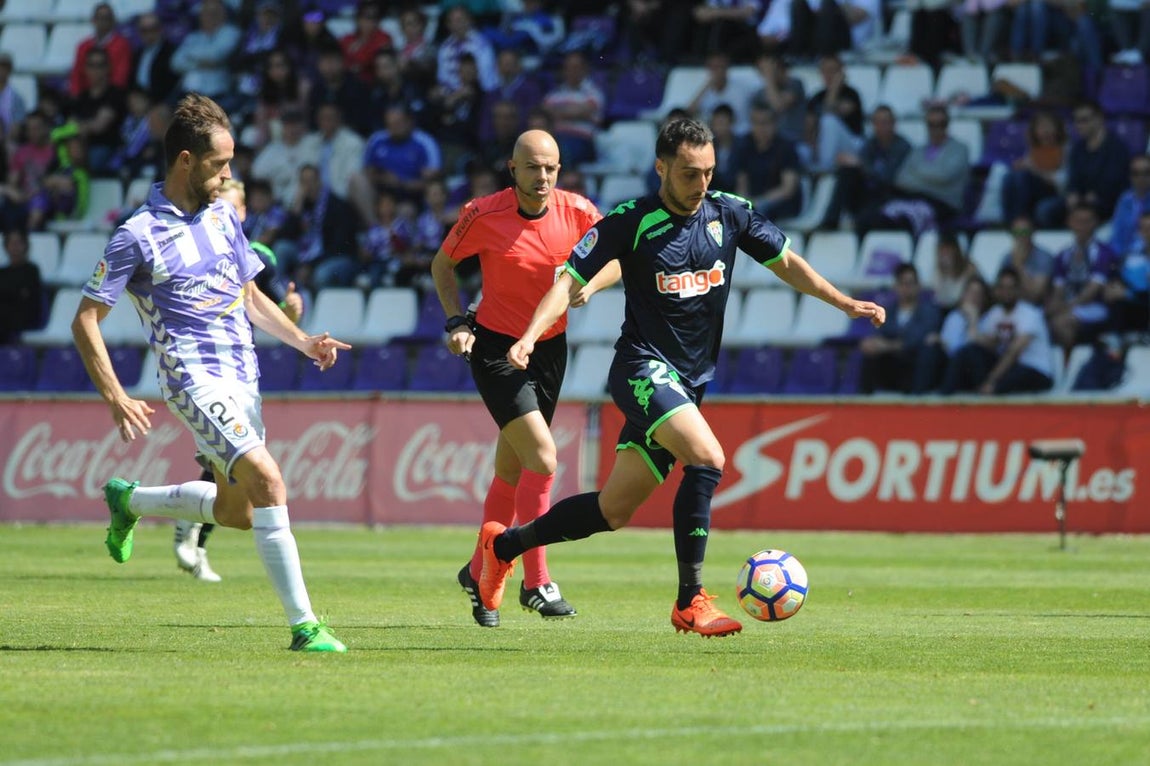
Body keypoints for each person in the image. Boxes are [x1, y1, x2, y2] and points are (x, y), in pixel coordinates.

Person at [478, 118, 886, 637]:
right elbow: (568, 281)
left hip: (689, 383)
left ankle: (503, 545)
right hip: (641, 369)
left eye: (709, 173)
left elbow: (786, 263)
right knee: (708, 458)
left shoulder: (729, 213)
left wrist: (844, 302)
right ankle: (690, 600)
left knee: (612, 510)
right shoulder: (631, 221)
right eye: (690, 174)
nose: (702, 185)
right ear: (662, 168)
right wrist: (531, 336)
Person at [70, 93, 350, 653]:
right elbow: (85, 320)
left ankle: (131, 501)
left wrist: (302, 340)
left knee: (238, 512)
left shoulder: (224, 216)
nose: (228, 175)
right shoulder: (137, 235)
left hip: (243, 377)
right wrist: (116, 396)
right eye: (219, 164)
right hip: (192, 378)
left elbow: (247, 295)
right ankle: (305, 627)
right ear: (185, 161)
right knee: (270, 481)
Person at [429, 129, 612, 627]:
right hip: (495, 350)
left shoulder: (578, 211)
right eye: (533, 167)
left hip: (550, 350)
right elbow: (442, 265)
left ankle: (475, 570)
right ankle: (536, 581)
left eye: (551, 167)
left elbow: (616, 257)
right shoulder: (483, 214)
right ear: (513, 169)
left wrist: (590, 284)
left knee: (512, 470)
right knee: (544, 458)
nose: (543, 176)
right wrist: (456, 322)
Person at [172, 178, 304, 582]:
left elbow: (277, 311)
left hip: (241, 369)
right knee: (233, 464)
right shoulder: (189, 248)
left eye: (228, 204)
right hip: (205, 371)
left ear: (242, 212)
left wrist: (295, 315)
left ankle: (183, 525)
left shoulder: (259, 255)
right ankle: (188, 534)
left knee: (229, 469)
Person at [940, 265, 1054, 395]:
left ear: (1018, 290)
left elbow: (1013, 353)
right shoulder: (995, 313)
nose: (1006, 292)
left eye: (1010, 288)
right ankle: (945, 396)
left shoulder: (1030, 314)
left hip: (1034, 369)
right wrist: (973, 320)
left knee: (1010, 379)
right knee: (969, 352)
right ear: (996, 290)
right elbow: (985, 344)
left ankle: (986, 393)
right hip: (1010, 368)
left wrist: (991, 380)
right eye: (1002, 288)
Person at [859, 263, 943, 394]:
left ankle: (918, 399)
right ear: (896, 286)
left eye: (910, 283)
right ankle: (864, 401)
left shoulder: (929, 311)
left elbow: (917, 339)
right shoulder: (888, 311)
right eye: (902, 283)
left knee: (928, 351)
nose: (906, 288)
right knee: (869, 352)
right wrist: (873, 344)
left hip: (913, 366)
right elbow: (876, 335)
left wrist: (887, 345)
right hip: (891, 366)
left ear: (918, 286)